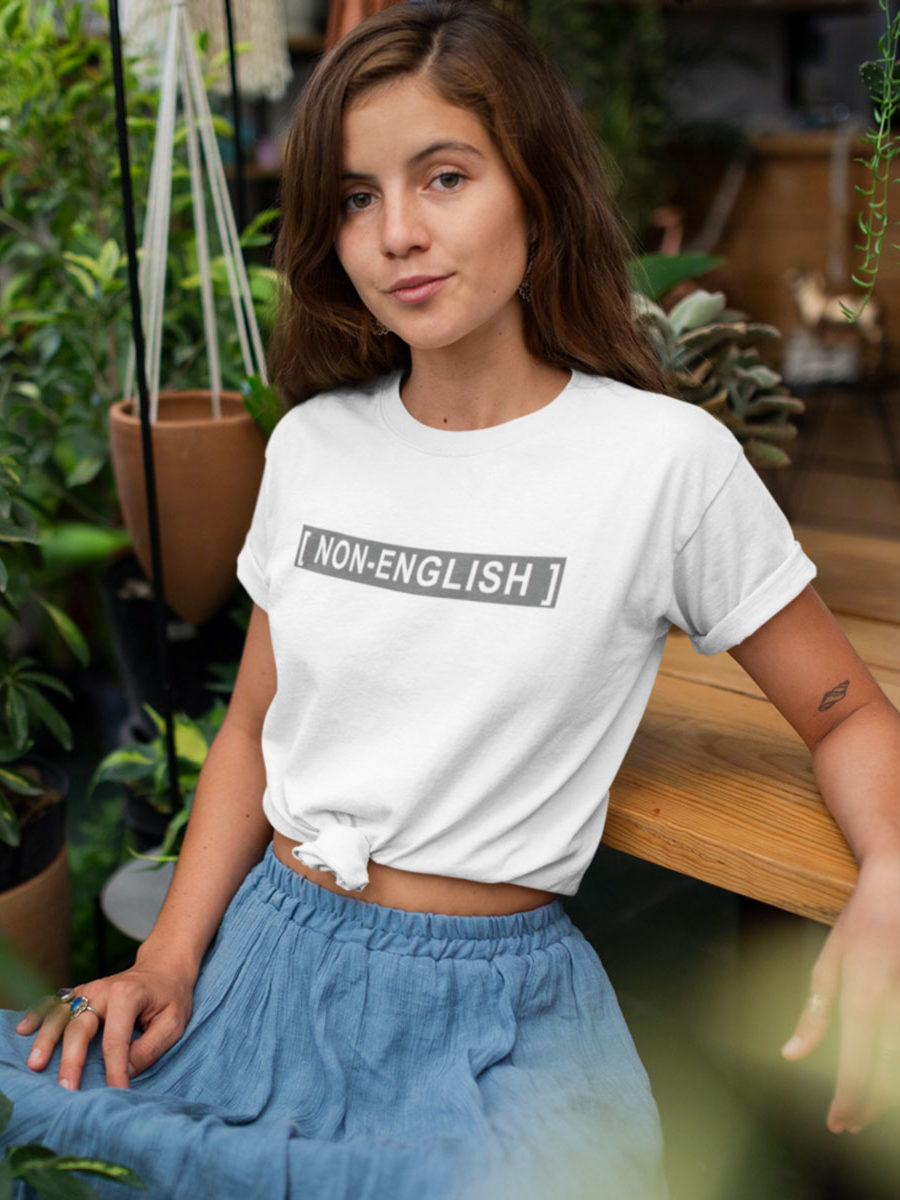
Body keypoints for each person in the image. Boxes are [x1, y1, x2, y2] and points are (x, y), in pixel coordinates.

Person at [3, 2, 900, 1196]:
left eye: (445, 176)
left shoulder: (662, 465)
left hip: (490, 1020)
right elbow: (253, 729)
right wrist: (168, 961)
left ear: (534, 185)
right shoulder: (315, 445)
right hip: (265, 958)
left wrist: (890, 872)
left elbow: (846, 709)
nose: (399, 234)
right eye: (358, 197)